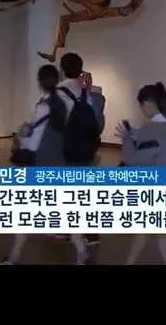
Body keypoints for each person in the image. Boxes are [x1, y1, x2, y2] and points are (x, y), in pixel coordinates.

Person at [0, 65, 90, 265]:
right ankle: (81, 252)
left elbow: (33, 142)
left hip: (41, 165)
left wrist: (21, 137)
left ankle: (14, 257)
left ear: (40, 82)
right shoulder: (62, 105)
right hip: (59, 163)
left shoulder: (43, 106)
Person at [115, 82, 166, 265]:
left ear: (148, 103)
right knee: (160, 237)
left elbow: (133, 160)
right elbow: (155, 146)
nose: (142, 110)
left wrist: (127, 140)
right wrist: (135, 136)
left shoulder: (149, 129)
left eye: (142, 105)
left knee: (146, 234)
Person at [37, 0, 153, 63]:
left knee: (64, 18)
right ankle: (53, 53)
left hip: (94, 10)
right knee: (63, 19)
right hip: (93, 10)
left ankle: (53, 53)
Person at [56, 53, 103, 252]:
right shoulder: (90, 92)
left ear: (62, 69)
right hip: (87, 147)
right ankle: (91, 233)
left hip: (66, 148)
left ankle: (68, 230)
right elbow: (98, 122)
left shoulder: (57, 92)